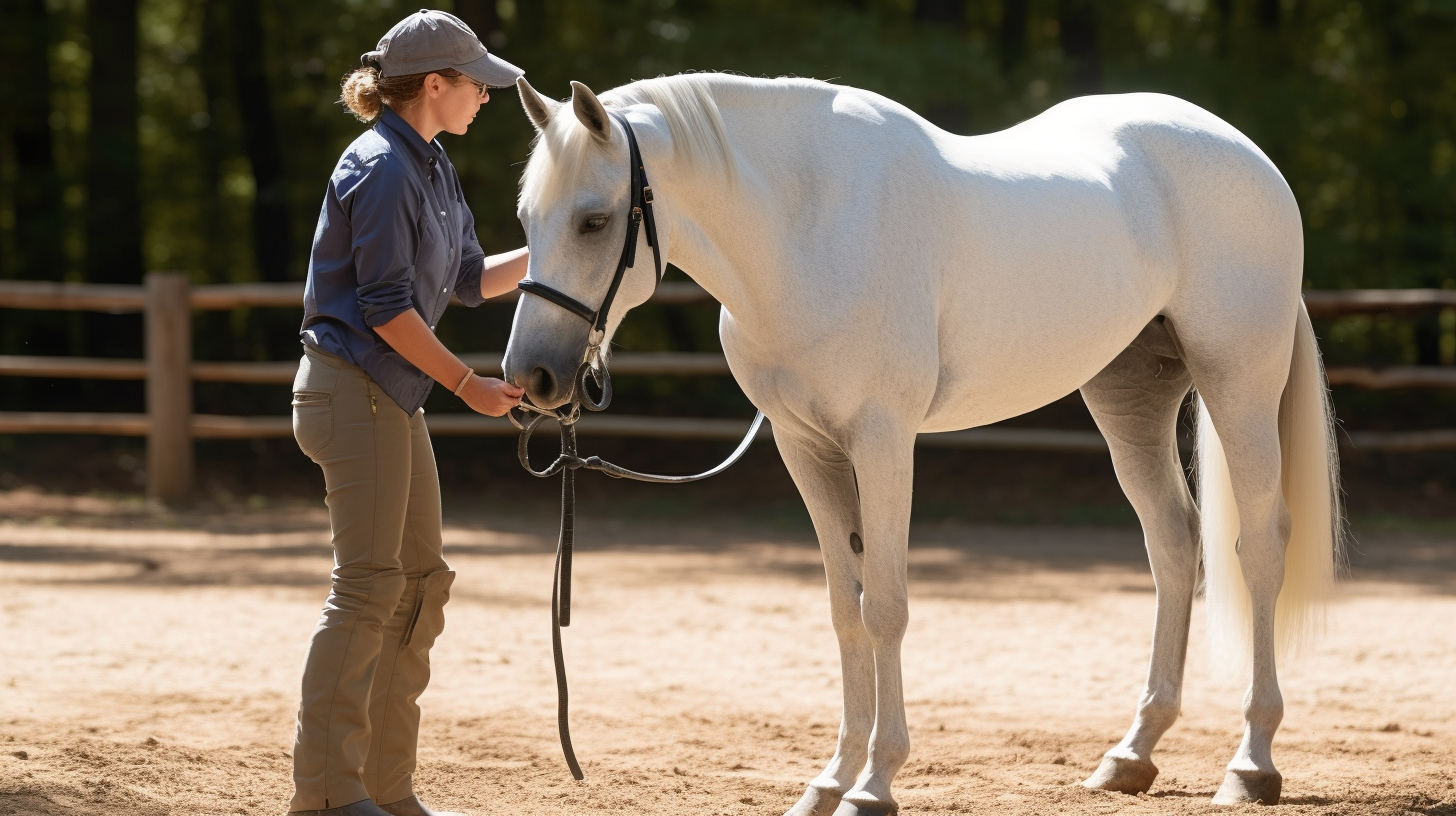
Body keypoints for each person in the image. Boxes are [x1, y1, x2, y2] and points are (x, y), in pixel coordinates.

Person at [288, 10, 526, 816]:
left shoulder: (429, 164)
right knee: (367, 588)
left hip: (390, 396)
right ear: (434, 85)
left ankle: (386, 792)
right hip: (354, 390)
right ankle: (325, 797)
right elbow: (389, 310)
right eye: (477, 85)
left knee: (419, 584)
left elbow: (464, 280)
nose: (485, 98)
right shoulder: (381, 168)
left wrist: (559, 252)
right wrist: (469, 386)